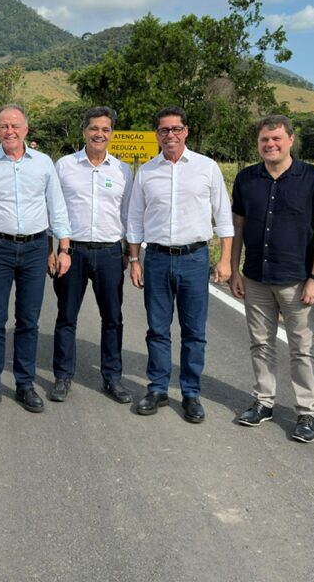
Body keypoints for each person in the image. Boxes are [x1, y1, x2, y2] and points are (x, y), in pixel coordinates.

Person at [229, 114, 314, 443]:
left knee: (302, 348)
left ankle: (306, 411)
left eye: (276, 138)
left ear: (290, 140)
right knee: (261, 343)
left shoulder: (313, 177)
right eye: (264, 139)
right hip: (256, 277)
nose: (270, 144)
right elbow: (237, 227)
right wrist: (234, 269)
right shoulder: (246, 178)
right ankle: (263, 402)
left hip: (297, 279)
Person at [0, 104, 72, 415]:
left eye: (15, 125)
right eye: (3, 126)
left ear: (26, 129)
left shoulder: (43, 163)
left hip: (35, 250)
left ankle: (25, 384)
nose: (9, 131)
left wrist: (64, 248)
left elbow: (56, 206)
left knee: (28, 321)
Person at [127, 106, 233, 422]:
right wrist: (134, 259)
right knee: (158, 329)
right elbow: (134, 219)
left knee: (194, 331)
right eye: (164, 130)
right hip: (157, 258)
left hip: (194, 259)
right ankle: (158, 389)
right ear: (157, 134)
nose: (170, 135)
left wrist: (225, 259)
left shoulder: (207, 167)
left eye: (176, 129)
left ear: (186, 131)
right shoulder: (146, 172)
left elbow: (223, 216)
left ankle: (190, 394)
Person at [50, 106, 133, 405]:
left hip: (109, 252)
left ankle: (112, 377)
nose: (99, 134)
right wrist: (53, 251)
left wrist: (129, 253)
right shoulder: (65, 166)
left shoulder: (123, 170)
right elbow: (53, 210)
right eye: (94, 128)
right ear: (84, 130)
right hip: (72, 251)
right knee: (66, 316)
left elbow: (128, 214)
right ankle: (62, 376)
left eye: (105, 129)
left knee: (112, 318)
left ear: (112, 133)